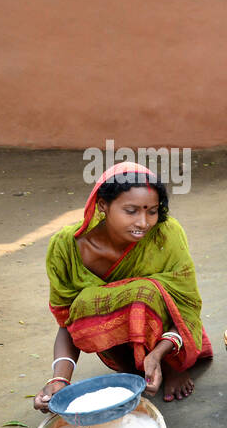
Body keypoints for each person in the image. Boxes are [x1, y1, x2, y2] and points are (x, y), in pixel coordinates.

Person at [35, 161, 212, 411]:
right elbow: (68, 319)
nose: (144, 222)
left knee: (147, 292)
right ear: (103, 205)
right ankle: (131, 370)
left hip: (168, 338)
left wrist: (159, 354)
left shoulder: (165, 234)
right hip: (118, 349)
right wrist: (59, 380)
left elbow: (186, 305)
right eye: (131, 211)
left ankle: (172, 366)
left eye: (152, 211)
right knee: (86, 302)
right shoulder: (66, 246)